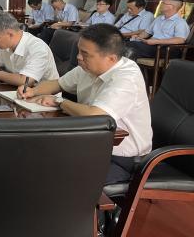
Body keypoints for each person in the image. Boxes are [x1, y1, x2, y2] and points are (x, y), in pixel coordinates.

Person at [17, 24, 152, 184]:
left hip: (121, 158)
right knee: (34, 159)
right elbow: (58, 84)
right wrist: (32, 91)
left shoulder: (126, 78)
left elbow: (95, 115)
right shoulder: (88, 67)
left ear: (111, 58)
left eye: (85, 54)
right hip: (90, 144)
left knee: (58, 180)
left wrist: (59, 101)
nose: (78, 57)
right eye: (79, 51)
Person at [0, 11, 58, 86]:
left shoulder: (37, 47)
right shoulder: (6, 44)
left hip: (44, 97)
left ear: (10, 33)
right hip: (16, 91)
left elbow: (26, 80)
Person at [126, 0, 190, 59]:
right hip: (153, 46)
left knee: (132, 46)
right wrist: (138, 37)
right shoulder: (159, 18)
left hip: (167, 49)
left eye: (163, 3)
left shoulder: (180, 22)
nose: (160, 4)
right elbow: (147, 32)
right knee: (128, 46)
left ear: (171, 7)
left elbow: (180, 40)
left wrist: (156, 41)